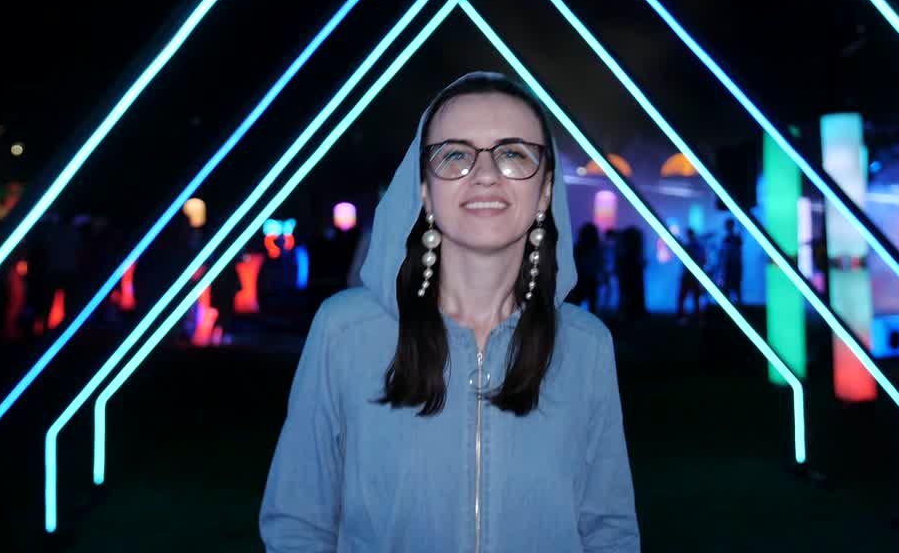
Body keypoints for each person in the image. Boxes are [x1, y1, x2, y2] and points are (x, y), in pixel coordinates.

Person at [259, 72, 640, 552]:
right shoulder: (345, 331)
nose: (485, 173)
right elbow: (298, 523)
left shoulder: (586, 346)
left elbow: (608, 528)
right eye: (455, 155)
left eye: (513, 154)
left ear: (545, 190)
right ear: (423, 188)